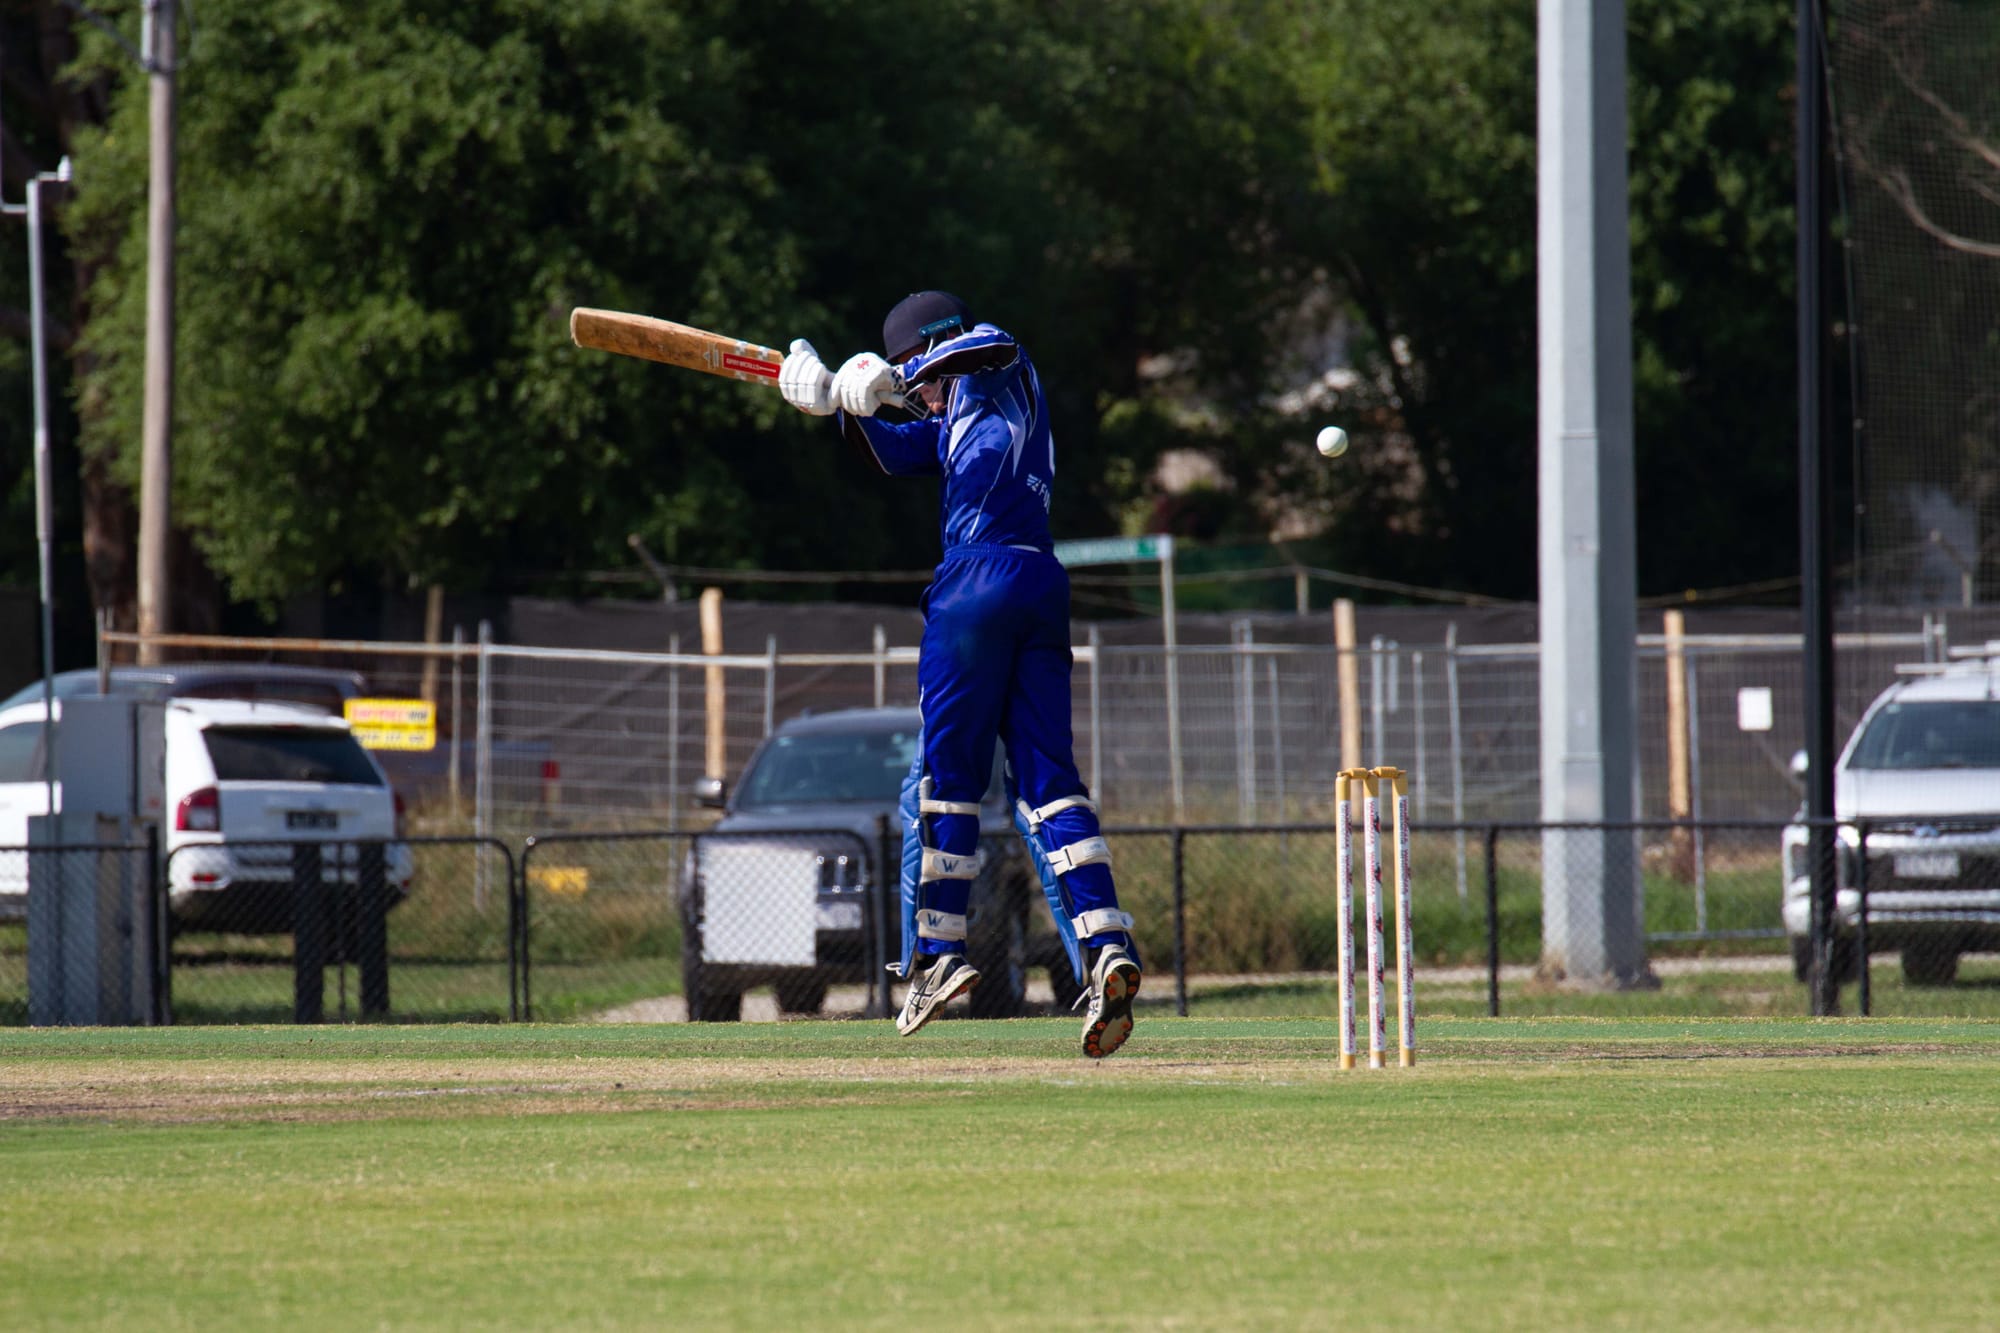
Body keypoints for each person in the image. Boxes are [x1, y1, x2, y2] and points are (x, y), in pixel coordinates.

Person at [777, 291, 1140, 1058]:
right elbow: (888, 447)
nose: (925, 391)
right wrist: (833, 401)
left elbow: (966, 355)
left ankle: (941, 957)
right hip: (1041, 586)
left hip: (976, 583)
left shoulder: (997, 356)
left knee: (948, 778)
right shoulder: (954, 424)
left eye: (919, 369)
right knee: (1048, 783)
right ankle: (1106, 947)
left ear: (927, 346)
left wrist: (885, 376)